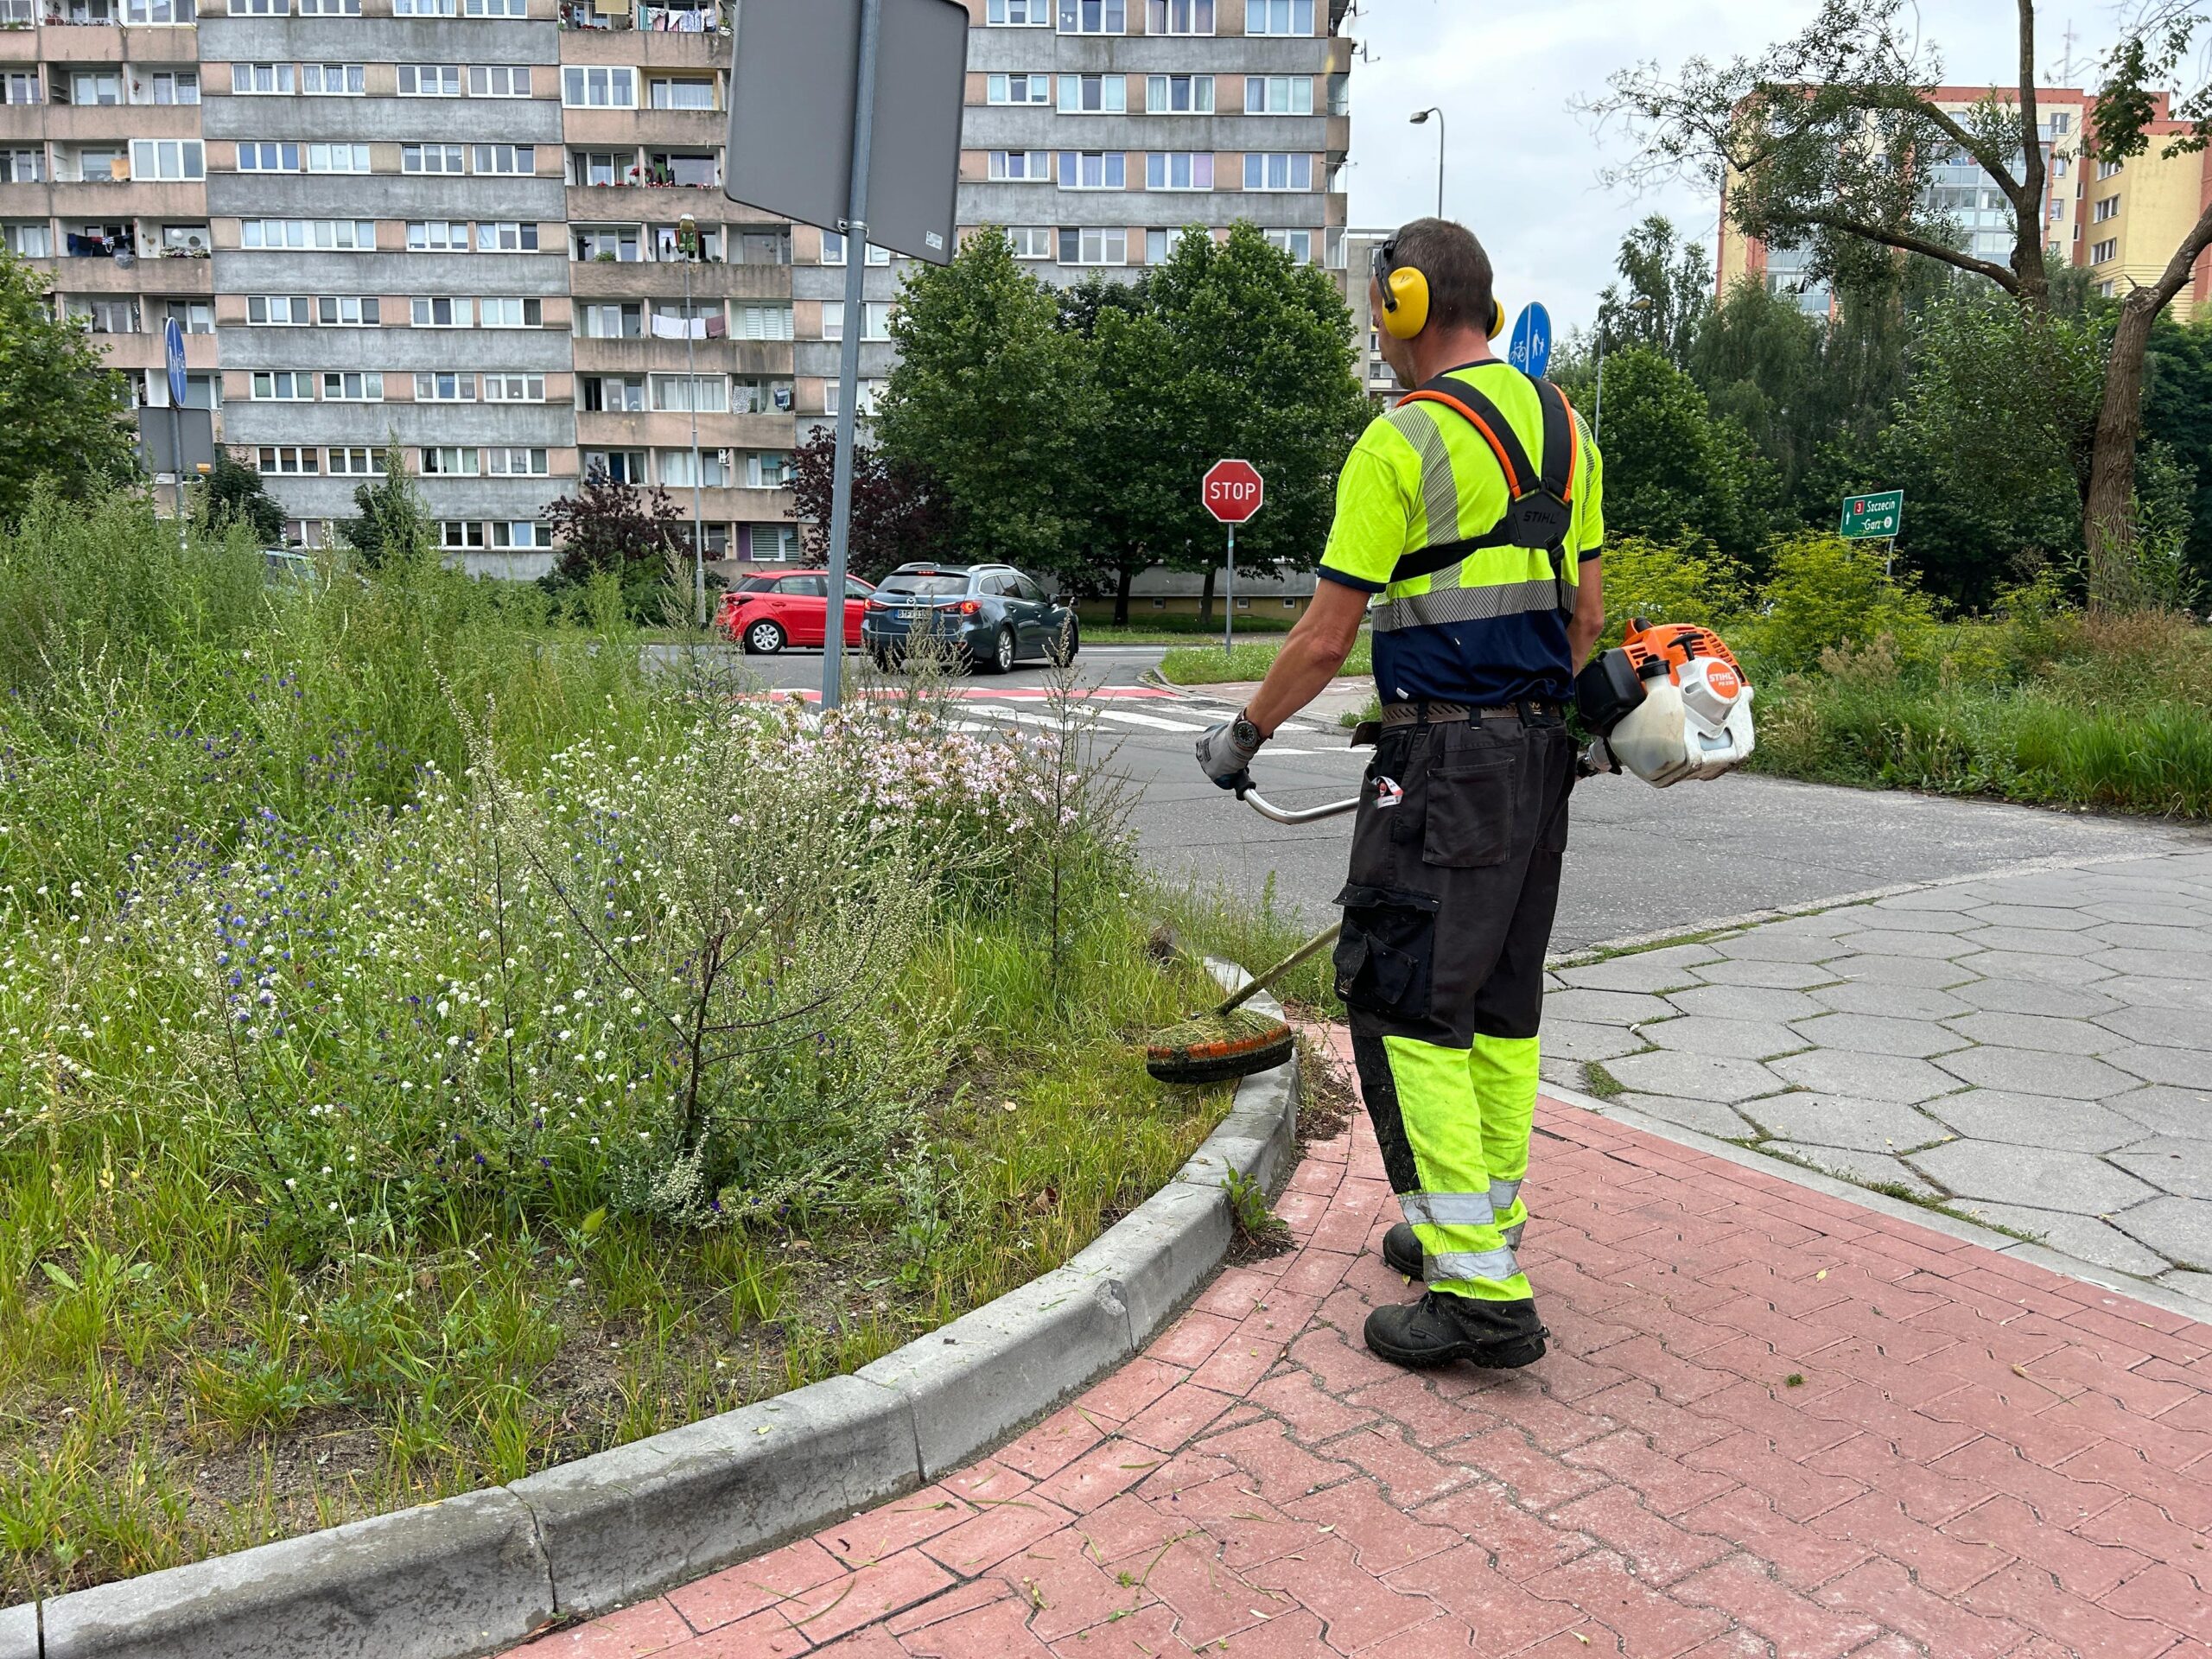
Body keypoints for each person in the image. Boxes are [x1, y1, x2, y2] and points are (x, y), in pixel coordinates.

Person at [1194, 218, 1605, 1371]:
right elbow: (1584, 621)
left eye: (1380, 305)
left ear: (1406, 306)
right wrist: (1538, 736)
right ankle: (1476, 1227)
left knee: (1407, 993)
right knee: (1501, 999)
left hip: (1441, 764)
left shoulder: (1402, 443)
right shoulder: (1568, 430)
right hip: (1541, 762)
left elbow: (1327, 638)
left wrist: (1240, 737)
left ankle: (1479, 1299)